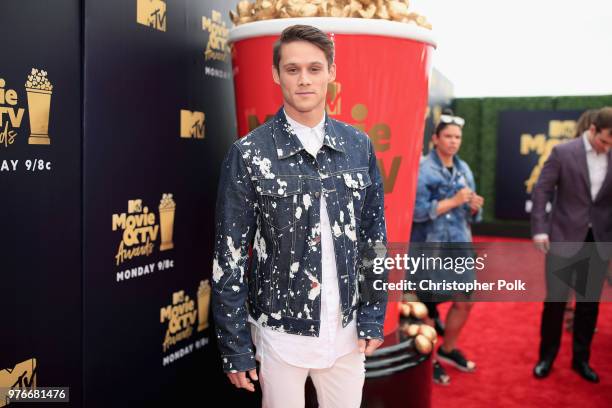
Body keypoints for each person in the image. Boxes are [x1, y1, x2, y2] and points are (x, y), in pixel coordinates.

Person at [211, 25, 388, 407]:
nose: (304, 79)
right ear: (276, 74)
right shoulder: (249, 153)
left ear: (331, 72)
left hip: (347, 334)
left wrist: (373, 314)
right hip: (279, 337)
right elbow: (230, 258)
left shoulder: (359, 146)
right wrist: (235, 346)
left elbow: (374, 239)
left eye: (314, 68)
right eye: (292, 70)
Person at [532, 107, 612, 383]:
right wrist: (540, 229)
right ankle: (547, 357)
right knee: (555, 302)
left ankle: (581, 360)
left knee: (589, 305)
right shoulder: (563, 152)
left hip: (599, 239)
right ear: (592, 130)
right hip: (564, 236)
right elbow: (542, 189)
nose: (607, 148)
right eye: (604, 141)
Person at [410, 109, 483, 385]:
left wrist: (474, 208)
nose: (453, 141)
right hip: (429, 249)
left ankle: (448, 350)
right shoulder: (423, 169)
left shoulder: (464, 169)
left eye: (457, 137)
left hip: (460, 246)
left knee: (465, 300)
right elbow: (416, 212)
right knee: (427, 309)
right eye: (448, 136)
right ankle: (428, 361)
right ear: (435, 139)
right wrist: (453, 201)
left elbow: (472, 213)